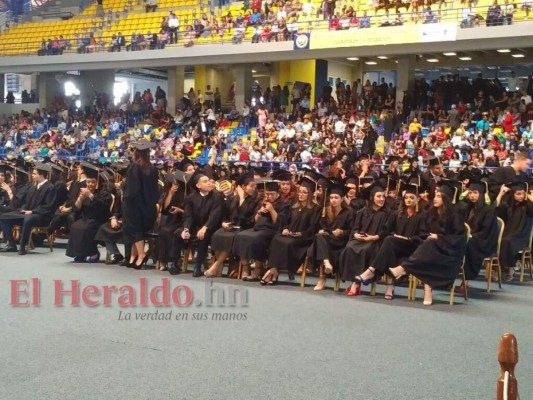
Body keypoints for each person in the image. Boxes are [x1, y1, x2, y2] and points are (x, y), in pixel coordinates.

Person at [389, 182, 467, 306]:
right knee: (429, 244)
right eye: (435, 195)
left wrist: (440, 237)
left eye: (439, 196)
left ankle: (404, 268)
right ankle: (427, 291)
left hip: (448, 254)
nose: (435, 199)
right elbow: (424, 233)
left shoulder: (455, 216)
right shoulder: (431, 213)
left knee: (430, 244)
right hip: (430, 251)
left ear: (446, 199)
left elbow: (459, 239)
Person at [357, 182, 425, 300]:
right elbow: (388, 230)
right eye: (406, 198)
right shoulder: (397, 213)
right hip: (396, 245)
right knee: (389, 245)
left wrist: (408, 238)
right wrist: (396, 236)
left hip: (412, 248)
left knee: (389, 243)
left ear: (418, 199)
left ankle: (371, 270)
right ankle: (389, 287)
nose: (408, 200)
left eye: (411, 198)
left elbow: (424, 236)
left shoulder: (423, 216)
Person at [260, 177, 320, 285]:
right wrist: (285, 229)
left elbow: (313, 228)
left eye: (304, 192)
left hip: (303, 240)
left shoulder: (315, 209)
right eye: (300, 192)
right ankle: (274, 270)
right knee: (276, 239)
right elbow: (287, 222)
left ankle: (272, 271)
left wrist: (301, 234)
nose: (301, 194)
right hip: (290, 235)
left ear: (310, 194)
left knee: (288, 243)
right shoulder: (294, 207)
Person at [338, 182, 391, 296]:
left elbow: (386, 231)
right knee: (349, 248)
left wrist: (373, 237)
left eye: (383, 196)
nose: (382, 199)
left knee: (366, 250)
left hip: (376, 241)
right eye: (378, 196)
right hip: (360, 239)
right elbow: (354, 228)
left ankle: (356, 284)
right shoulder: (362, 211)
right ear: (372, 198)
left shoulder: (387, 214)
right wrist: (356, 234)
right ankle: (354, 281)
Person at [204, 172, 260, 277]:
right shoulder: (232, 198)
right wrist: (223, 223)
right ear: (243, 186)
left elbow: (244, 218)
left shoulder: (256, 200)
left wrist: (242, 199)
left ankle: (216, 265)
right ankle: (217, 265)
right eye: (251, 186)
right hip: (231, 227)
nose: (254, 188)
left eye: (255, 186)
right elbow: (226, 214)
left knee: (231, 238)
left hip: (245, 228)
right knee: (217, 234)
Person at [168, 171, 223, 277]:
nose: (209, 183)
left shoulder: (217, 196)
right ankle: (174, 263)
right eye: (205, 181)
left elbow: (215, 215)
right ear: (198, 185)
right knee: (178, 233)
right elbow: (188, 216)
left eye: (209, 181)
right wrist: (186, 229)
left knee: (203, 235)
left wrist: (205, 227)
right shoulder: (191, 197)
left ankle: (198, 267)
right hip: (195, 226)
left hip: (211, 227)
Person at [234, 180, 290, 281]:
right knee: (240, 235)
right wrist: (259, 212)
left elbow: (279, 223)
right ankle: (245, 266)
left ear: (278, 193)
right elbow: (253, 222)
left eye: (272, 194)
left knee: (257, 238)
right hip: (257, 228)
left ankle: (258, 269)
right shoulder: (262, 203)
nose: (270, 196)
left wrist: (272, 210)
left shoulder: (284, 205)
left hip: (271, 230)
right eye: (267, 194)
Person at [0, 164, 57, 255]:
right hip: (27, 213)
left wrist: (32, 211)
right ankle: (11, 244)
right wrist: (22, 209)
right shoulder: (32, 187)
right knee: (4, 217)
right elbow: (26, 202)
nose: (32, 175)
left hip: (41, 216)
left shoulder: (50, 187)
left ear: (41, 175)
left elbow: (48, 206)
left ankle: (22, 246)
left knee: (28, 219)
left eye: (34, 174)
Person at [306, 181, 353, 291]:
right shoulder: (325, 211)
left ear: (342, 199)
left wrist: (342, 232)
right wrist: (322, 230)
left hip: (340, 244)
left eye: (336, 197)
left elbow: (351, 231)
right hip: (327, 241)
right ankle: (326, 264)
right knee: (319, 236)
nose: (333, 200)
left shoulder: (349, 213)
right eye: (331, 197)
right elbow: (321, 226)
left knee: (319, 242)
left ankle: (322, 278)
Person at [122, 139, 160, 269]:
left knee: (134, 229)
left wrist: (125, 197)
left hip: (135, 206)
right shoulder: (153, 169)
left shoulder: (134, 167)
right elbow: (155, 190)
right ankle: (134, 256)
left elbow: (132, 190)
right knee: (138, 230)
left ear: (136, 153)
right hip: (148, 207)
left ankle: (142, 255)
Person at [66, 166, 112, 262]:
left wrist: (90, 196)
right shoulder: (83, 191)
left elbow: (103, 207)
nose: (90, 184)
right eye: (88, 182)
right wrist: (80, 199)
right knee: (75, 226)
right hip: (86, 218)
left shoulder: (103, 192)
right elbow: (76, 209)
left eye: (93, 182)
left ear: (97, 183)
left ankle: (93, 253)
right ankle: (80, 254)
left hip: (99, 219)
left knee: (85, 228)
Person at [459, 180, 499, 290]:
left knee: (468, 245)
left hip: (484, 242)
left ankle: (465, 281)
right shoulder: (468, 209)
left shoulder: (489, 210)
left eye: (475, 192)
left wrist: (472, 237)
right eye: (470, 193)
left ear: (481, 194)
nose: (472, 195)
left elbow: (487, 231)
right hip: (469, 239)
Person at [495, 181, 533, 281]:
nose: (520, 196)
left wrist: (528, 195)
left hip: (522, 235)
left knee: (508, 241)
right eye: (518, 194)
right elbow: (495, 208)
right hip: (509, 233)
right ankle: (503, 268)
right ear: (513, 195)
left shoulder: (528, 206)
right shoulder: (509, 206)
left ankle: (509, 269)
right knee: (502, 240)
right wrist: (501, 193)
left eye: (522, 194)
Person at [154, 169, 187, 271]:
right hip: (172, 220)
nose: (175, 184)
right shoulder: (168, 191)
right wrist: (171, 194)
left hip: (184, 221)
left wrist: (180, 210)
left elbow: (191, 213)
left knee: (169, 231)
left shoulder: (188, 192)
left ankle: (171, 260)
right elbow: (164, 209)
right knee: (164, 230)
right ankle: (163, 260)